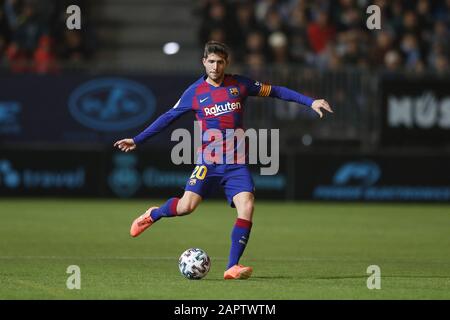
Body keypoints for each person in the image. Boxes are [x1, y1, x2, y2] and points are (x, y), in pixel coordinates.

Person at [114, 41, 333, 280]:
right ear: (203, 62)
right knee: (187, 207)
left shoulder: (240, 84)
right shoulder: (194, 92)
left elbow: (277, 91)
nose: (215, 67)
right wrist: (138, 140)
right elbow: (168, 118)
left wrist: (310, 102)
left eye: (220, 62)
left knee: (247, 205)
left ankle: (232, 266)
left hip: (236, 163)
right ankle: (154, 214)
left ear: (226, 63)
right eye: (211, 62)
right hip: (208, 162)